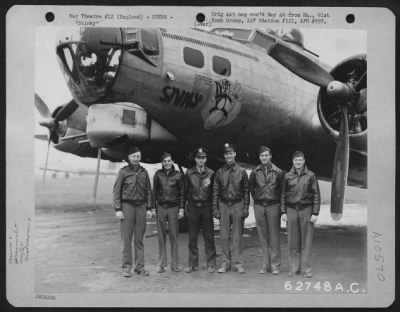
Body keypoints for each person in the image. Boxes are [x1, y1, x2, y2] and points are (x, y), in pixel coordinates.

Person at [113, 146, 152, 277]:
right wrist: (118, 209)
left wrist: (149, 208)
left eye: (138, 156)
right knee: (126, 239)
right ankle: (126, 267)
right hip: (127, 206)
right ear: (129, 157)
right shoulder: (123, 172)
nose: (136, 159)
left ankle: (140, 267)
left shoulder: (143, 172)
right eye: (134, 156)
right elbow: (116, 191)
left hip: (141, 207)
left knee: (139, 239)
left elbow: (148, 191)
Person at [281, 151, 320, 278]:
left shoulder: (311, 175)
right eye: (296, 160)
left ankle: (306, 269)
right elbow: (282, 195)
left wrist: (315, 212)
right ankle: (294, 268)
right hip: (291, 210)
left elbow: (316, 194)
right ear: (293, 161)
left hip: (306, 210)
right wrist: (283, 212)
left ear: (304, 161)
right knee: (293, 241)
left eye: (300, 160)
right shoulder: (287, 176)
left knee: (306, 241)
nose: (298, 162)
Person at [212, 143, 250, 274]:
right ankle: (225, 263)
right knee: (224, 236)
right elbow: (215, 191)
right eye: (226, 154)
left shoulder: (242, 172)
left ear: (235, 154)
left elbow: (246, 191)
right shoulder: (220, 172)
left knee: (237, 236)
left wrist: (245, 207)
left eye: (231, 153)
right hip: (223, 204)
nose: (229, 156)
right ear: (224, 156)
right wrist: (215, 208)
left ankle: (238, 263)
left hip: (237, 204)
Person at [249, 146, 284, 275]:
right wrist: (258, 200)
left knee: (274, 236)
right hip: (259, 205)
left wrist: (280, 206)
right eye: (262, 156)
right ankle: (265, 264)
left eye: (266, 155)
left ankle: (275, 265)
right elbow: (252, 189)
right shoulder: (255, 172)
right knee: (262, 236)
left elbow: (282, 191)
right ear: (259, 157)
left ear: (270, 156)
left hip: (273, 205)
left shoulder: (278, 172)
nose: (264, 158)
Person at [184, 147, 217, 274]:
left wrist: (214, 208)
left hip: (206, 206)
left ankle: (211, 263)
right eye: (198, 158)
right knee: (192, 236)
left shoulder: (211, 173)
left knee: (209, 236)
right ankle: (192, 264)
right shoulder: (189, 173)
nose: (201, 160)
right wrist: (185, 207)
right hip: (193, 206)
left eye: (203, 158)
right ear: (195, 159)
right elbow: (185, 191)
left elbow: (214, 193)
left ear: (206, 159)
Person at [153, 152, 185, 273]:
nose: (167, 163)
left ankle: (175, 264)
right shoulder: (158, 175)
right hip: (161, 207)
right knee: (161, 237)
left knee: (174, 236)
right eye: (165, 161)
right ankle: (161, 264)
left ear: (172, 162)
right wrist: (152, 208)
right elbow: (154, 191)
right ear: (162, 163)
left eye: (169, 161)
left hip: (173, 207)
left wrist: (181, 208)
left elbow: (182, 193)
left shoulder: (178, 175)